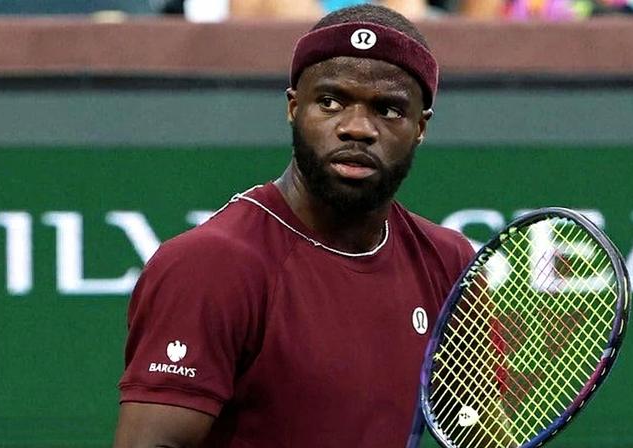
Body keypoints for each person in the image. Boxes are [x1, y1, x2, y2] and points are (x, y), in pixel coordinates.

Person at [113, 4, 478, 447]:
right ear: (293, 107)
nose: (357, 128)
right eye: (330, 102)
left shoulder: (451, 262)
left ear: (420, 128)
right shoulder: (210, 264)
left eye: (388, 109)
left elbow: (479, 431)